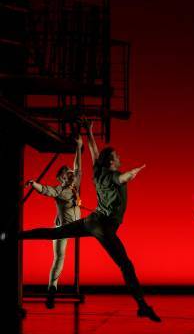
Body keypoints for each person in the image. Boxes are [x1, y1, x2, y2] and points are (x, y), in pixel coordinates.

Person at [13, 119, 161, 322]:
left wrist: (89, 134)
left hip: (91, 221)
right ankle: (142, 305)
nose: (119, 158)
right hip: (103, 226)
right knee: (125, 265)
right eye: (116, 157)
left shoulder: (97, 172)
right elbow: (121, 178)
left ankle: (17, 235)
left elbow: (94, 153)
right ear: (111, 162)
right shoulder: (111, 175)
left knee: (54, 233)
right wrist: (133, 173)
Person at [26, 134, 83, 309]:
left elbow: (78, 166)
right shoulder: (59, 190)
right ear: (62, 179)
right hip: (63, 228)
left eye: (70, 172)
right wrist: (34, 184)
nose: (71, 173)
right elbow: (46, 190)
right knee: (59, 257)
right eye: (67, 173)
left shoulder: (76, 186)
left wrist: (79, 148)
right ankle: (52, 288)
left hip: (77, 226)